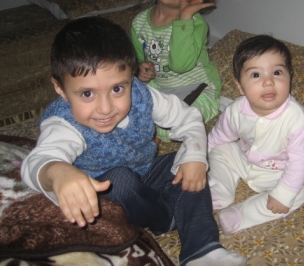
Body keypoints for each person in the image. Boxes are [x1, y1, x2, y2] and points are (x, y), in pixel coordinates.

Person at [20, 17, 246, 266]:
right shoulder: (63, 123)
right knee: (120, 179)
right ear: (61, 90)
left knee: (189, 160)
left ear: (132, 76)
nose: (105, 108)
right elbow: (36, 161)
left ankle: (202, 250)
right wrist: (58, 172)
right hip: (103, 198)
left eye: (117, 89)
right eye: (87, 94)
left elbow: (188, 117)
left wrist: (193, 157)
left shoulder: (142, 94)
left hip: (145, 173)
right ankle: (165, 218)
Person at [207, 35, 304, 234]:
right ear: (240, 86)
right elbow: (217, 137)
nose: (268, 82)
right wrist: (197, 159)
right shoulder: (235, 110)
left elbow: (300, 161)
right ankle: (219, 190)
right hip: (244, 158)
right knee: (220, 149)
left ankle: (242, 214)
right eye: (256, 75)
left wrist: (283, 194)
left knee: (296, 193)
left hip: (280, 171)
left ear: (289, 77)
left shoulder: (297, 120)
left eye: (277, 72)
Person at [130, 0, 221, 143]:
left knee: (175, 124)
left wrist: (185, 17)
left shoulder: (195, 24)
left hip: (196, 87)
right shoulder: (139, 22)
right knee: (124, 105)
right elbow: (138, 58)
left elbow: (181, 65)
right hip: (161, 87)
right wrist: (139, 69)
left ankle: (155, 136)